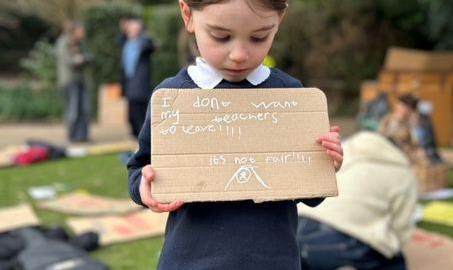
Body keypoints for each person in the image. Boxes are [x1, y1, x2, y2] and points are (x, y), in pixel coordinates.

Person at [127, 1, 344, 269]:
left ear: (279, 20)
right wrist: (144, 186)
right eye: (221, 36)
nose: (240, 54)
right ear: (188, 15)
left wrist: (324, 162)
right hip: (190, 262)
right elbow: (138, 167)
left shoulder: (291, 95)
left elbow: (311, 196)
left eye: (258, 37)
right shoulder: (172, 98)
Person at [297, 131, 417, 270]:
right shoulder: (402, 174)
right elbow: (401, 227)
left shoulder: (345, 151)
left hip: (300, 227)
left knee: (308, 258)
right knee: (396, 262)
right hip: (344, 240)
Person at [55, 21, 91, 143]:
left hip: (80, 81)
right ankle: (72, 136)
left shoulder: (79, 43)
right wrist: (78, 59)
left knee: (84, 109)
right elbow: (68, 61)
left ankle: (83, 136)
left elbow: (86, 57)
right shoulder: (63, 42)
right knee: (73, 110)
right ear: (75, 31)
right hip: (69, 82)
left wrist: (82, 59)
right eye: (82, 31)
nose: (83, 34)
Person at [120, 18, 155, 139]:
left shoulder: (143, 42)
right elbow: (119, 39)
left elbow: (150, 44)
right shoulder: (127, 43)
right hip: (129, 83)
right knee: (132, 112)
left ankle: (143, 137)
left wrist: (142, 30)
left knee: (142, 111)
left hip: (140, 84)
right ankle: (136, 135)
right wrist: (124, 29)